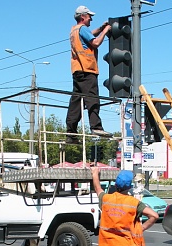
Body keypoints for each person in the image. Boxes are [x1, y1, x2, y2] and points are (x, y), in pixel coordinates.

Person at [65, 5, 112, 144]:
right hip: (88, 69)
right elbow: (95, 42)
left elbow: (89, 34)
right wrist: (106, 30)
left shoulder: (75, 30)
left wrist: (100, 28)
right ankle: (96, 127)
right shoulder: (83, 29)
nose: (91, 18)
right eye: (89, 16)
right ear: (82, 17)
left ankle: (71, 134)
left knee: (76, 103)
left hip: (77, 70)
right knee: (92, 98)